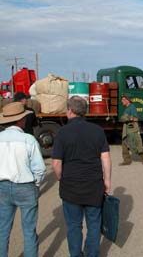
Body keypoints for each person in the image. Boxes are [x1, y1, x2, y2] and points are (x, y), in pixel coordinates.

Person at [52, 96, 111, 257]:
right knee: (94, 224)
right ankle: (91, 254)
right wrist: (107, 180)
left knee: (73, 226)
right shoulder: (98, 130)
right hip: (94, 185)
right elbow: (105, 157)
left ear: (70, 110)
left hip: (70, 187)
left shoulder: (62, 132)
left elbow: (56, 164)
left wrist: (60, 178)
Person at [0, 102, 46, 257]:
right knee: (29, 230)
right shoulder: (29, 139)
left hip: (2, 187)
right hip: (26, 186)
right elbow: (39, 169)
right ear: (21, 120)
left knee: (3, 229)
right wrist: (36, 184)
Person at [119, 94, 143, 165]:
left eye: (123, 100)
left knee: (133, 145)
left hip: (131, 129)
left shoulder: (132, 107)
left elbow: (136, 118)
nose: (121, 101)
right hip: (126, 129)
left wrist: (126, 118)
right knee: (124, 145)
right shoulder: (127, 108)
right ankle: (127, 160)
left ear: (127, 100)